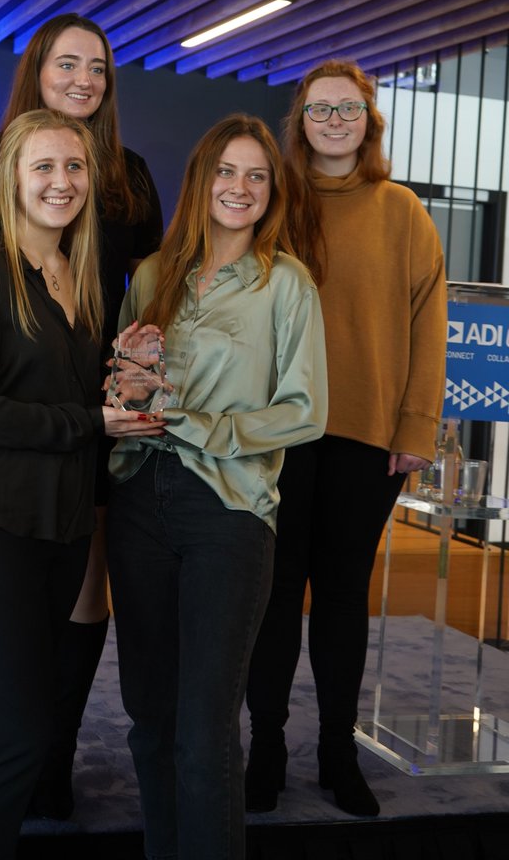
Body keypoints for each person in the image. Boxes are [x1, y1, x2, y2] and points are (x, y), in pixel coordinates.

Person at [0, 12, 162, 817]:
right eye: (67, 63)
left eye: (97, 67)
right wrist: (81, 416)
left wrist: (134, 368)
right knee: (10, 686)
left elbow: (141, 301)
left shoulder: (124, 185)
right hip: (11, 458)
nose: (83, 79)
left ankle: (45, 764)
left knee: (71, 614)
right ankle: (22, 756)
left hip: (90, 437)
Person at [106, 113, 328, 860]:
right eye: (227, 172)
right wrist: (129, 378)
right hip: (139, 498)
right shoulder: (151, 275)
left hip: (228, 511)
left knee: (204, 731)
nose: (240, 187)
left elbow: (305, 411)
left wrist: (200, 425)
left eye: (256, 176)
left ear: (272, 192)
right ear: (201, 180)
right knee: (150, 719)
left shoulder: (285, 283)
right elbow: (127, 397)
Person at [245, 59, 447, 818]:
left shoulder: (403, 210)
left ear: (370, 121)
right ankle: (266, 747)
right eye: (320, 109)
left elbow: (429, 321)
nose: (335, 121)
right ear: (299, 122)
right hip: (277, 431)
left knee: (340, 596)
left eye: (349, 109)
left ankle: (338, 749)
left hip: (367, 433)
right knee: (271, 595)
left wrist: (417, 426)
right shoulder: (274, 200)